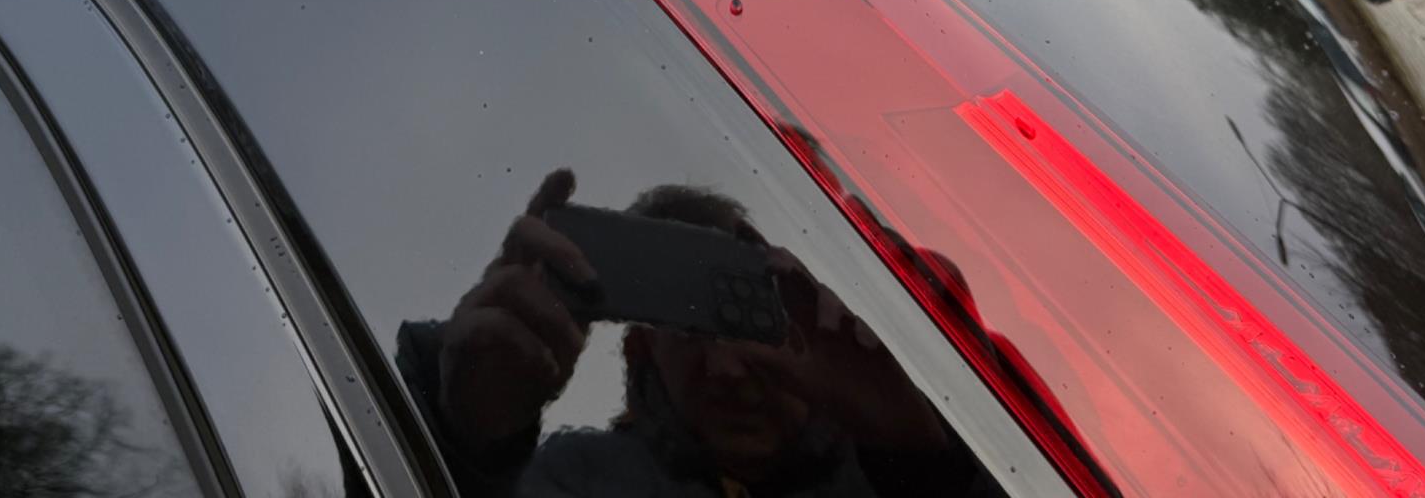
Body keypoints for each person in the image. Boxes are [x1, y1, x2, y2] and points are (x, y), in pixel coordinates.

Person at [397, 170, 993, 497]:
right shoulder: (581, 480)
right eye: (687, 329)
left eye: (739, 319)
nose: (726, 370)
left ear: (798, 318)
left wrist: (929, 468)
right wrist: (466, 440)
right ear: (643, 350)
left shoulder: (885, 468)